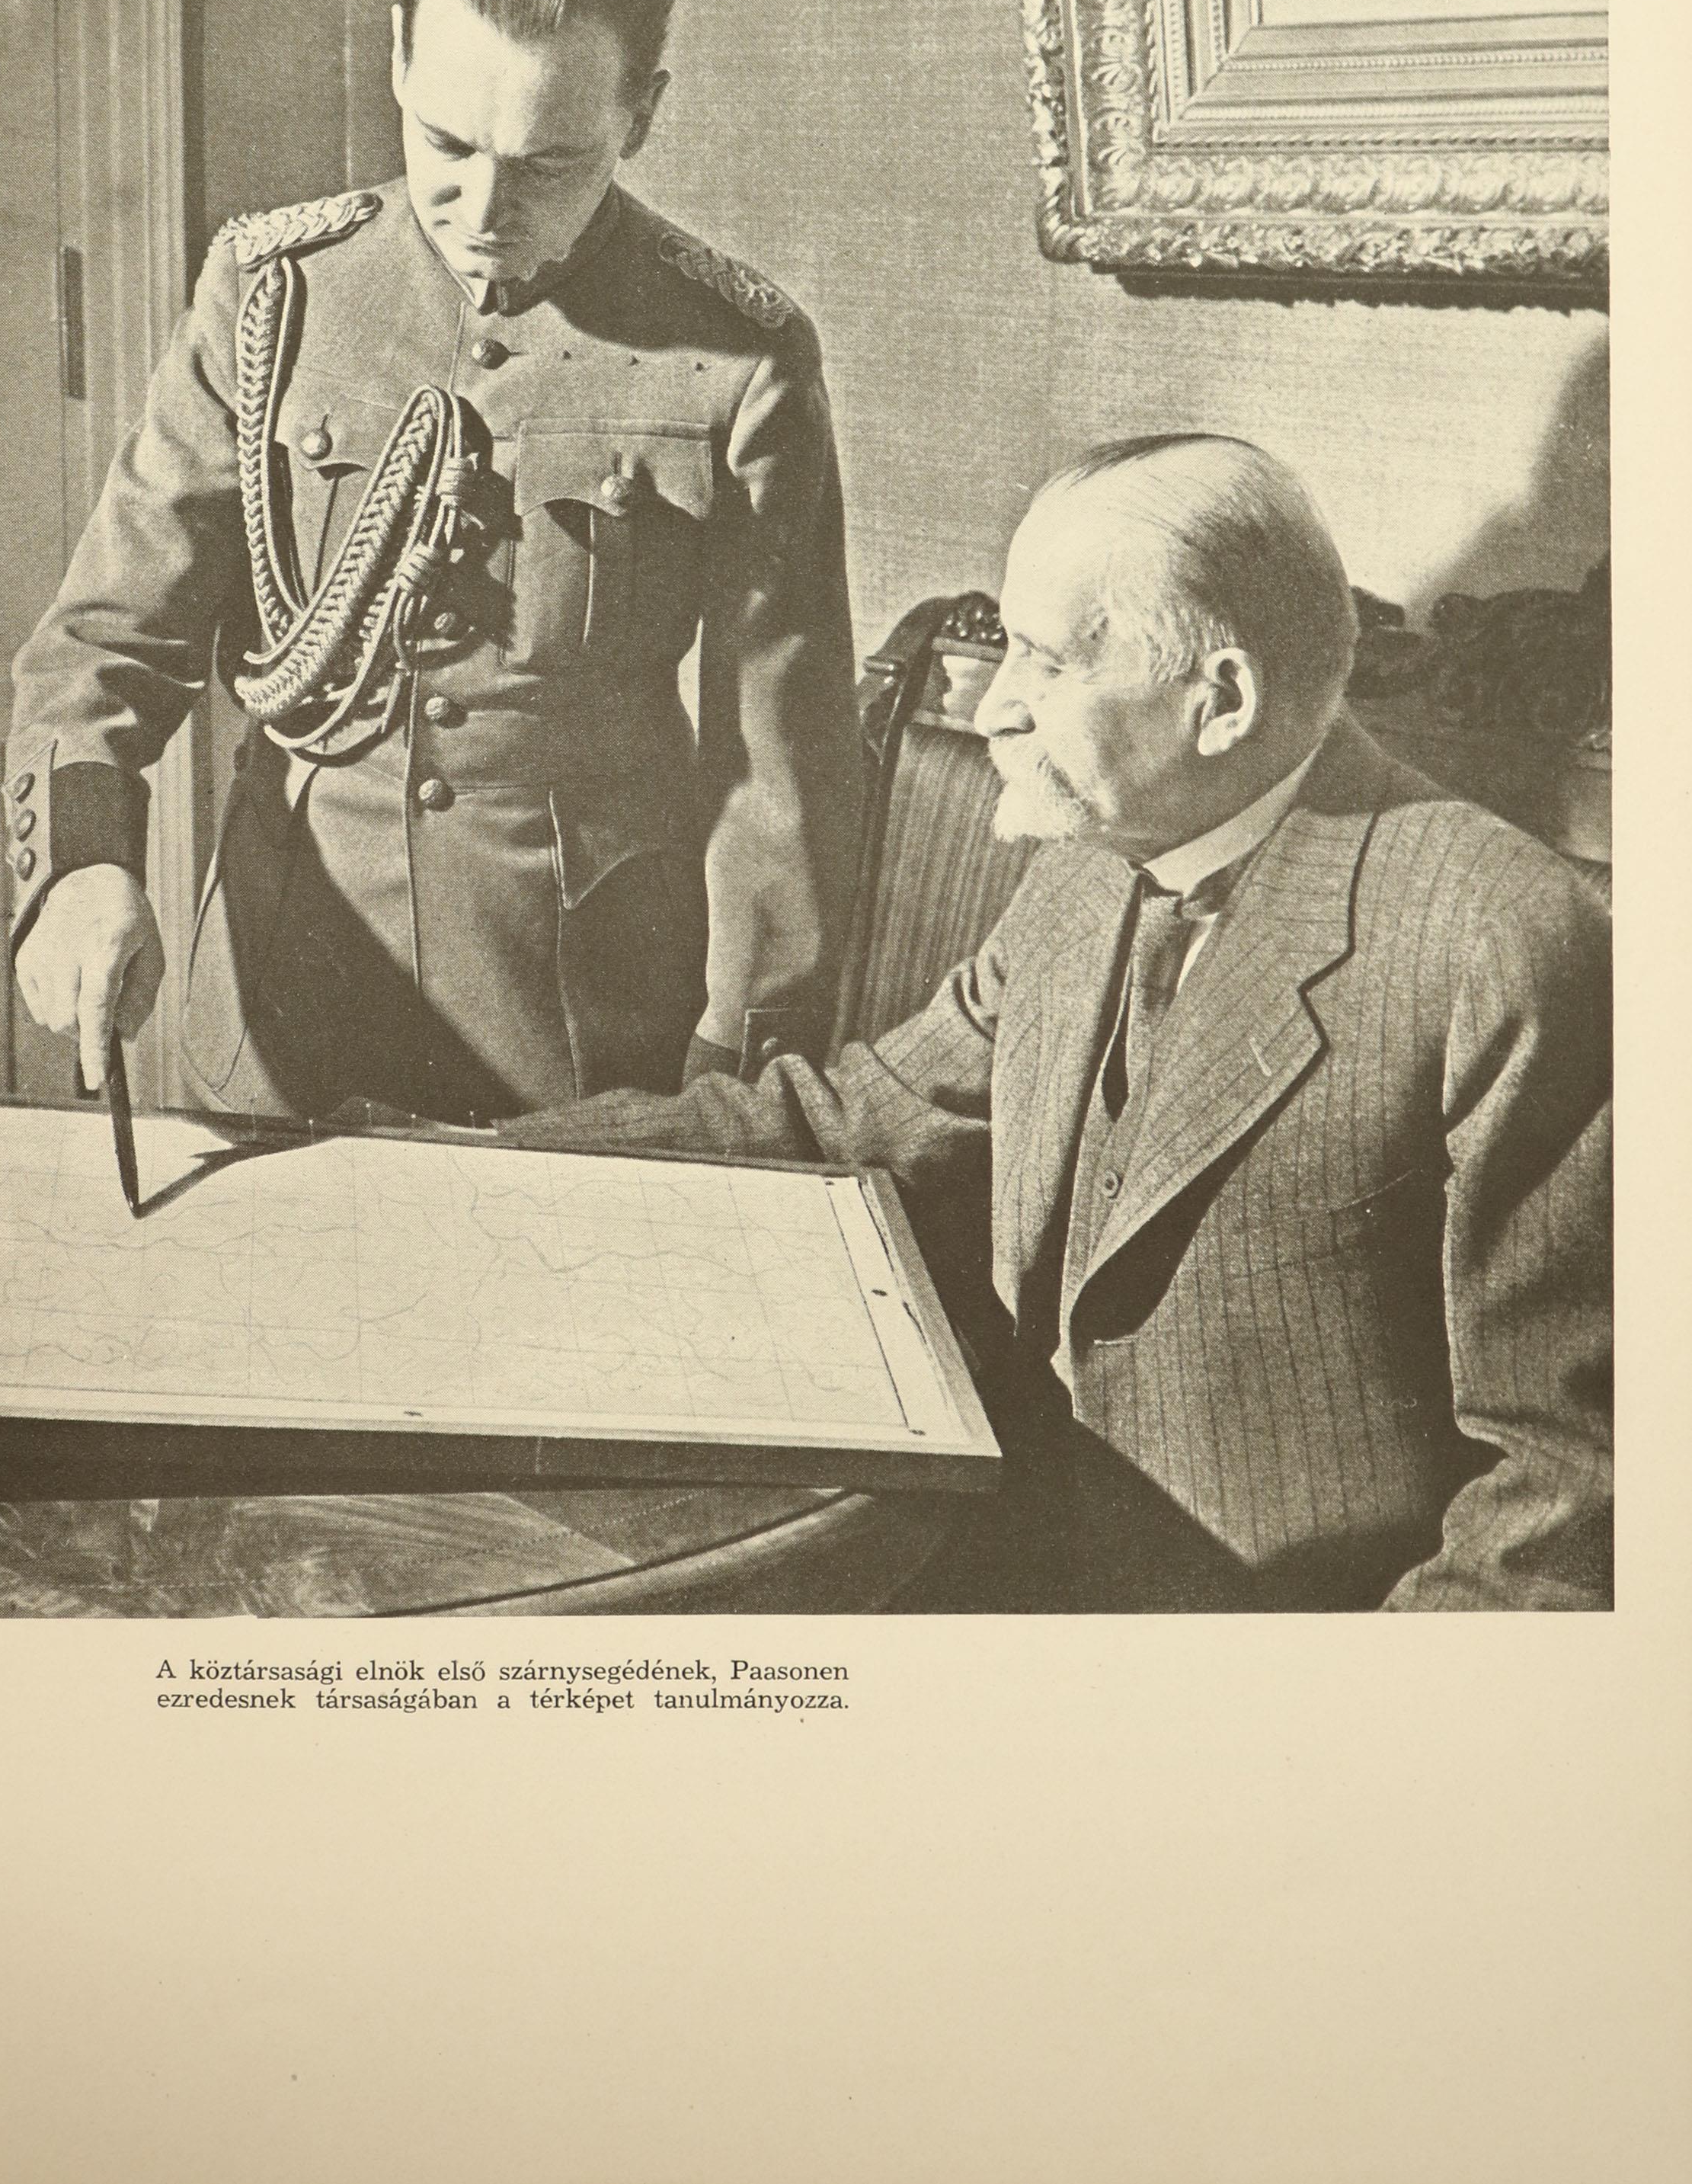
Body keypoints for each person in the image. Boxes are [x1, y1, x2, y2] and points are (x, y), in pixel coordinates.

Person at [507, 435, 1614, 1612]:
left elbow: (1561, 1495)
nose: (992, 707)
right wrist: (469, 1164)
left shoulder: (1502, 940)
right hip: (1004, 1566)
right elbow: (849, 1122)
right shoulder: (1090, 861)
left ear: (1221, 701)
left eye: (1043, 660)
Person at [6, 0, 860, 1122]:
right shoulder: (272, 294)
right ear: (400, 55)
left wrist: (737, 1075)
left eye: (550, 163)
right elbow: (107, 638)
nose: (483, 210)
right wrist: (80, 866)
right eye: (447, 145)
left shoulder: (738, 355)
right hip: (286, 993)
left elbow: (782, 771)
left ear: (642, 114)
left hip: (585, 1032)